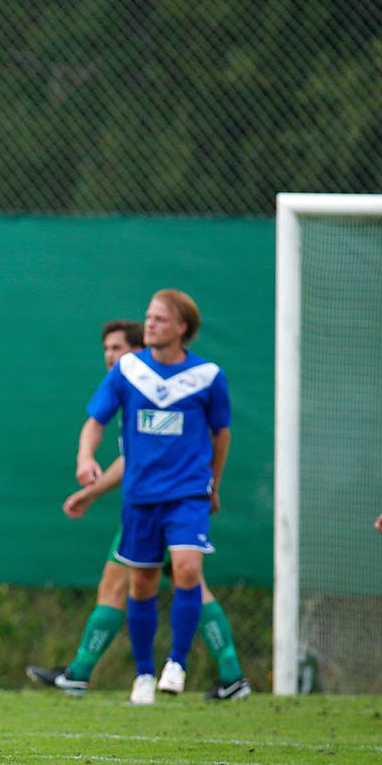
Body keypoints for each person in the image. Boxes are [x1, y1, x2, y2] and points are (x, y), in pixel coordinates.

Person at [29, 320, 250, 700]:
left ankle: (92, 672)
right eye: (107, 350)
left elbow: (208, 437)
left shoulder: (154, 385)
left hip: (168, 502)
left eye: (117, 348)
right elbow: (129, 457)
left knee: (157, 583)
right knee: (163, 585)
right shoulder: (127, 391)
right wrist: (92, 489)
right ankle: (229, 675)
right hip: (146, 503)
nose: (110, 357)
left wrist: (93, 492)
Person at [75, 290, 231, 705]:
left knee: (186, 568)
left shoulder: (207, 377)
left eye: (160, 319)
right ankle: (144, 673)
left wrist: (213, 483)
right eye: (148, 317)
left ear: (182, 327)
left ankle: (176, 663)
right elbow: (96, 421)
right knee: (141, 584)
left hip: (188, 494)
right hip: (141, 497)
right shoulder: (129, 370)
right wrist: (85, 456)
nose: (150, 324)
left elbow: (221, 434)